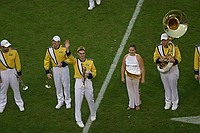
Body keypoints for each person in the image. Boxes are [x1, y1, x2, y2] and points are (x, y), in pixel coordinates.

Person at [65, 40, 96, 128]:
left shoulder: (90, 62)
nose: (82, 54)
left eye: (83, 53)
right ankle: (78, 120)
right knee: (78, 102)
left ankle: (93, 114)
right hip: (78, 82)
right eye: (80, 53)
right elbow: (70, 57)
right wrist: (67, 49)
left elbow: (94, 72)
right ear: (78, 54)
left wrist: (89, 75)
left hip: (88, 82)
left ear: (85, 53)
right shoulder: (75, 61)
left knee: (90, 99)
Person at [153, 33, 181, 111]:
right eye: (162, 40)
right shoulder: (158, 48)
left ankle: (175, 102)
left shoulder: (174, 47)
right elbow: (155, 57)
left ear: (168, 40)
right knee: (166, 87)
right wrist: (159, 60)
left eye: (165, 40)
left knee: (173, 87)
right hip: (163, 69)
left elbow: (179, 58)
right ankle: (168, 102)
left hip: (172, 69)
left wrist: (174, 60)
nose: (163, 42)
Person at [44, 35, 71, 109]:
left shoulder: (64, 49)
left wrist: (62, 63)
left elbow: (69, 59)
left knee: (66, 85)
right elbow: (46, 60)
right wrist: (47, 72)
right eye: (53, 41)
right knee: (58, 85)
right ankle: (60, 100)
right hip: (55, 69)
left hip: (64, 69)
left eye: (55, 42)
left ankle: (68, 101)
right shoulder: (49, 50)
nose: (54, 43)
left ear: (59, 42)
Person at [0, 39, 25, 113]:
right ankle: (2, 105)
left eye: (8, 46)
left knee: (16, 88)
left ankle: (20, 104)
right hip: (3, 73)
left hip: (13, 72)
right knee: (3, 90)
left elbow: (18, 63)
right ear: (2, 47)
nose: (7, 48)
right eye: (5, 47)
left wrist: (19, 74)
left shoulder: (14, 52)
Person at [121, 44, 145, 111]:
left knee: (136, 90)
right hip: (128, 75)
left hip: (136, 76)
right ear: (128, 50)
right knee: (129, 90)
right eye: (130, 50)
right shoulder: (126, 57)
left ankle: (137, 104)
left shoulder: (138, 57)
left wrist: (143, 78)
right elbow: (123, 67)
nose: (131, 51)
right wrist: (122, 77)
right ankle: (131, 104)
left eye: (133, 50)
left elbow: (142, 68)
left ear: (135, 50)